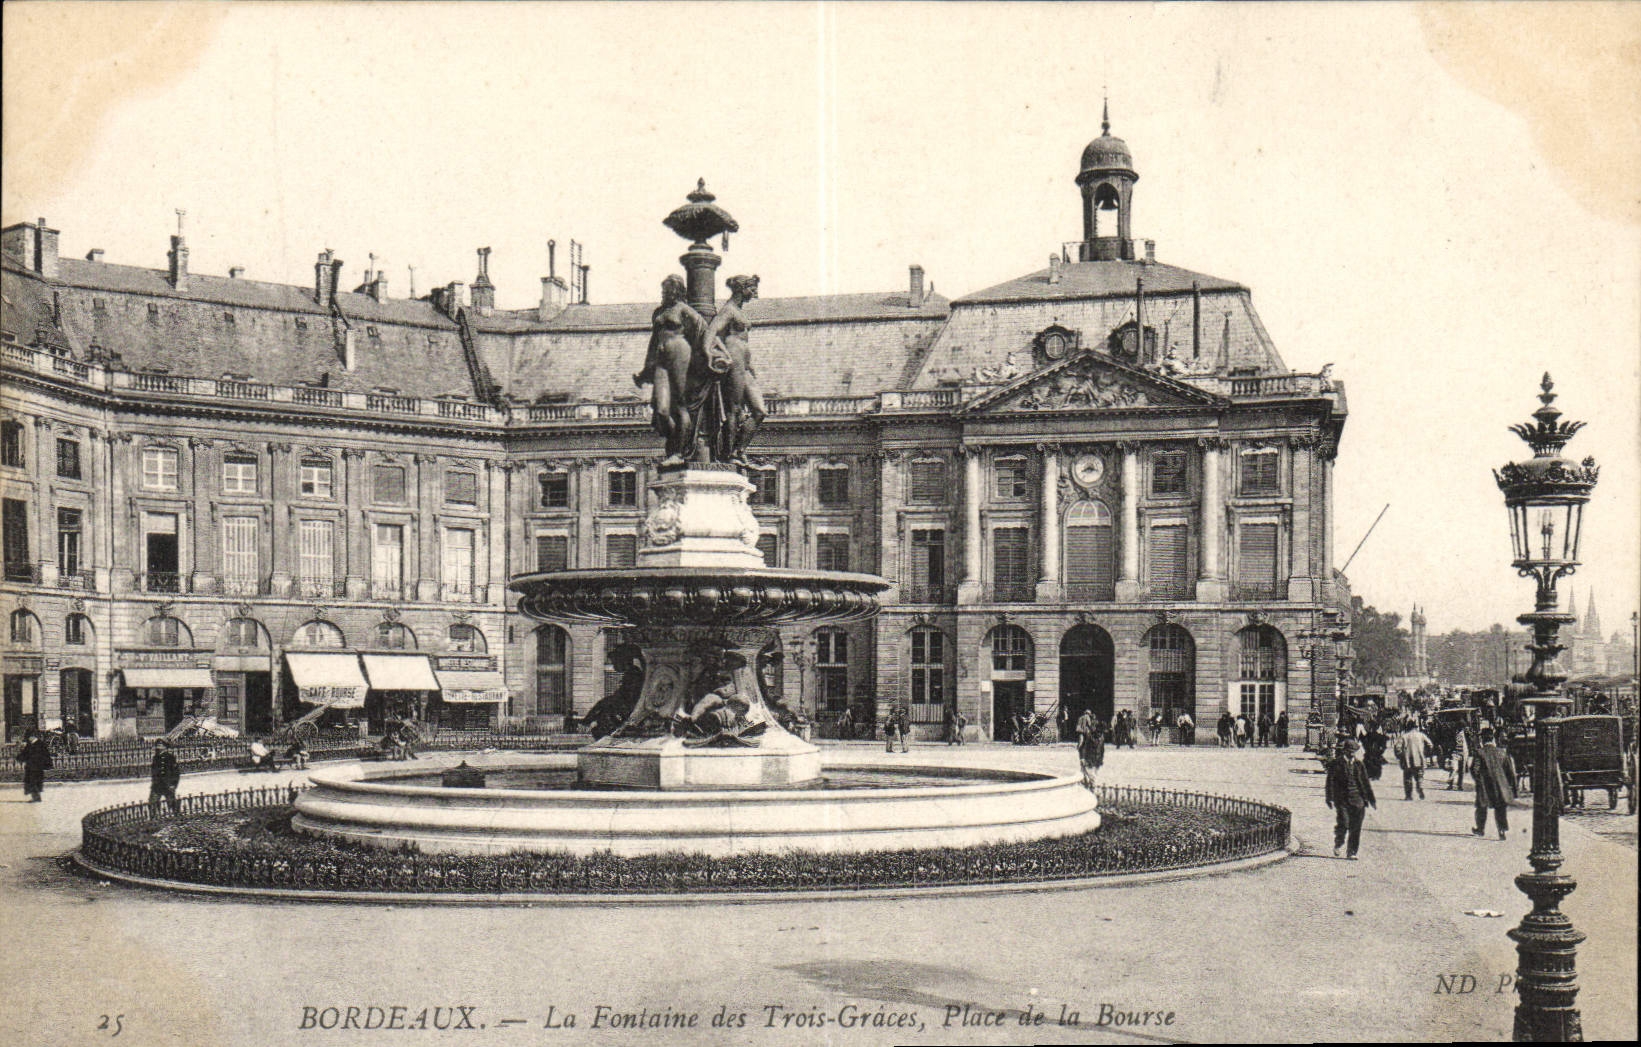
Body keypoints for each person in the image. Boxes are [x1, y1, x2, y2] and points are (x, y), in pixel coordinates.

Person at [1324, 739, 1376, 859]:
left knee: (1356, 827)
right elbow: (1330, 781)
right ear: (1345, 751)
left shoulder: (1359, 764)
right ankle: (1339, 843)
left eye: (1354, 751)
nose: (1352, 754)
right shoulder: (1336, 763)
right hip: (1342, 800)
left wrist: (1370, 799)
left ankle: (1352, 852)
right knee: (1344, 823)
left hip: (1358, 800)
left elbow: (1365, 782)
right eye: (1350, 751)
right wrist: (1329, 798)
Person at [1471, 727, 1516, 840]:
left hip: (1484, 785)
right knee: (1500, 808)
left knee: (1482, 807)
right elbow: (1510, 771)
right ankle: (1501, 831)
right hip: (1500, 785)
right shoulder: (1502, 752)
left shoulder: (1479, 752)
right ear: (1493, 739)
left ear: (1482, 739)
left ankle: (1480, 829)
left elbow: (1474, 770)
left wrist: (1478, 780)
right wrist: (1510, 786)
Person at [1394, 719, 1434, 800]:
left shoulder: (1404, 736)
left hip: (1407, 761)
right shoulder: (1421, 735)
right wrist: (1425, 753)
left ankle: (1409, 796)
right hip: (1419, 760)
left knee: (1408, 778)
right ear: (1416, 727)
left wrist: (1400, 756)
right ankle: (1420, 787)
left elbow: (1397, 748)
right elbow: (1430, 744)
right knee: (1419, 776)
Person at [148, 739, 182, 820]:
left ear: (165, 747)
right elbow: (154, 772)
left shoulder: (170, 757)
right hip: (157, 785)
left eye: (160, 745)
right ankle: (152, 820)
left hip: (168, 785)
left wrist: (173, 784)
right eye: (157, 745)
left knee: (171, 803)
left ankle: (177, 818)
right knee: (152, 802)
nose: (158, 747)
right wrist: (154, 783)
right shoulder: (155, 757)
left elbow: (176, 772)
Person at [15, 729, 52, 802]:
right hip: (30, 766)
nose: (28, 739)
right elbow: (25, 754)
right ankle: (35, 797)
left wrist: (46, 764)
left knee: (35, 782)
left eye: (28, 737)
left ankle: (37, 798)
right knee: (30, 782)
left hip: (37, 767)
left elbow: (46, 755)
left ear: (33, 737)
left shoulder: (40, 744)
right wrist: (19, 758)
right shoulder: (30, 744)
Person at [1075, 708, 1106, 786]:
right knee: (1091, 775)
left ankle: (1086, 782)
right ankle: (1089, 786)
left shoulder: (1081, 717)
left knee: (1081, 741)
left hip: (1082, 733)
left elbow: (1102, 750)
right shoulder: (1093, 735)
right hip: (1091, 758)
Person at [1448, 723, 1470, 791]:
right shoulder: (1452, 733)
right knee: (1454, 768)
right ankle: (1450, 784)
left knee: (1462, 770)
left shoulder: (1466, 733)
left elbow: (1471, 740)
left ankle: (1459, 785)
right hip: (1455, 752)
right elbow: (1450, 742)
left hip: (1464, 752)